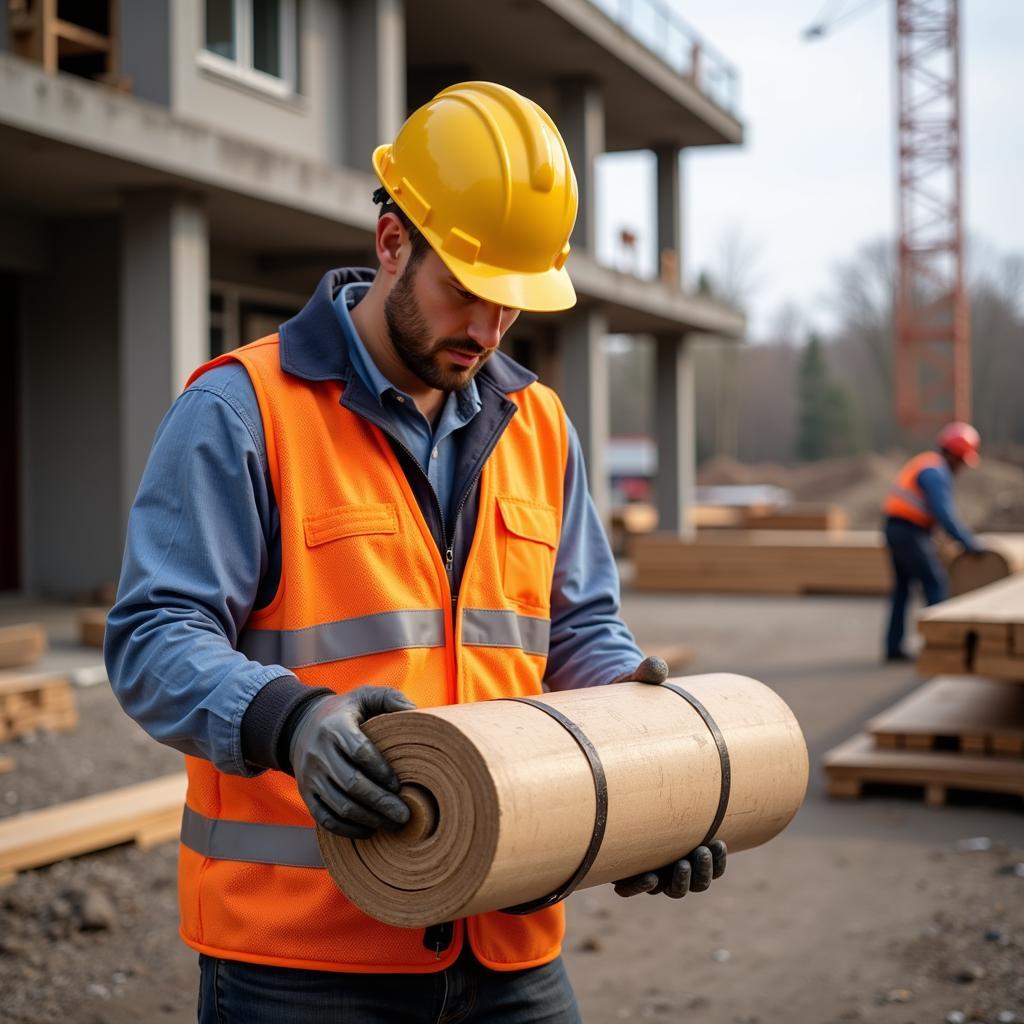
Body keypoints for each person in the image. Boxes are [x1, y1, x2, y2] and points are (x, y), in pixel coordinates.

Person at [105, 82, 725, 1024]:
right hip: (302, 961)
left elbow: (581, 630)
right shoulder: (242, 412)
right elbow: (153, 637)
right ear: (392, 241)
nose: (486, 330)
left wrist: (650, 775)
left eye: (511, 306)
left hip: (513, 937)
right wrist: (293, 723)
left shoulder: (542, 427)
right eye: (467, 292)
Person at [881, 421, 984, 662]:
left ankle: (893, 648)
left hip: (897, 529)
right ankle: (943, 651)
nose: (961, 467)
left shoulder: (927, 463)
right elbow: (943, 513)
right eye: (961, 461)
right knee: (935, 584)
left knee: (902, 590)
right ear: (954, 455)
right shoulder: (936, 472)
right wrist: (968, 543)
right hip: (908, 532)